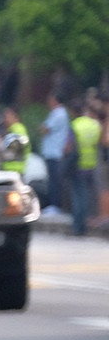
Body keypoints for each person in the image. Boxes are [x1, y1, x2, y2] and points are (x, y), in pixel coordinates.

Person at [68, 95, 101, 237]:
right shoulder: (95, 124)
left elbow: (68, 147)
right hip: (91, 164)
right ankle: (85, 226)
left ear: (73, 112)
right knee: (87, 196)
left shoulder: (75, 125)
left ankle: (78, 227)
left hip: (77, 165)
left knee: (77, 197)